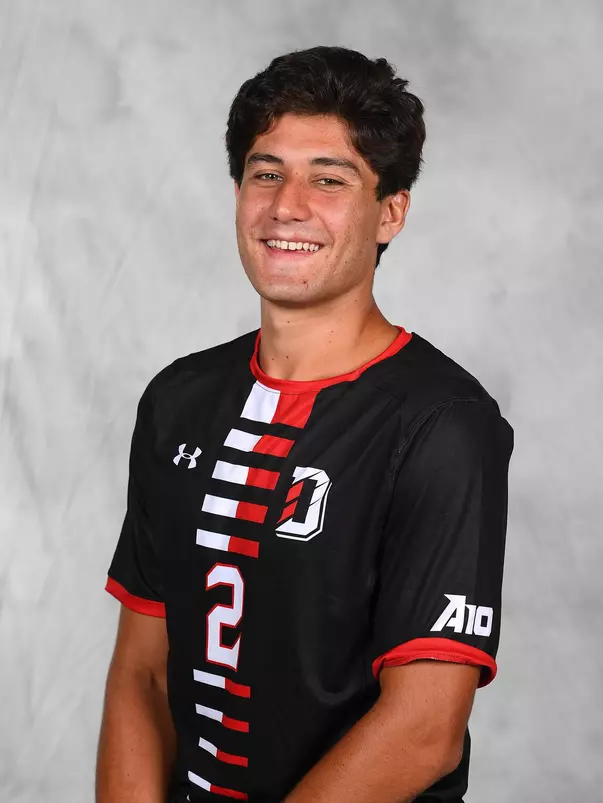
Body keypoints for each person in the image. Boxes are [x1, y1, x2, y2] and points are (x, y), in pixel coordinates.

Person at [96, 45, 514, 803]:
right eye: (265, 173)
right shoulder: (177, 400)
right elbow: (143, 670)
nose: (287, 205)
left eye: (328, 179)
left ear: (389, 211)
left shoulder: (443, 423)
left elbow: (423, 727)